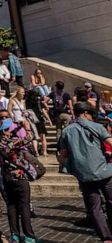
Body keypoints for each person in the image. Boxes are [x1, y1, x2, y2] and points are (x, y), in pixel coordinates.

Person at [58, 100, 112, 241]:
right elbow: (110, 142)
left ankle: (106, 238)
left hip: (84, 175)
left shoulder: (66, 131)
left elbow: (62, 156)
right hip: (104, 171)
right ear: (86, 113)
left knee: (94, 208)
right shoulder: (97, 127)